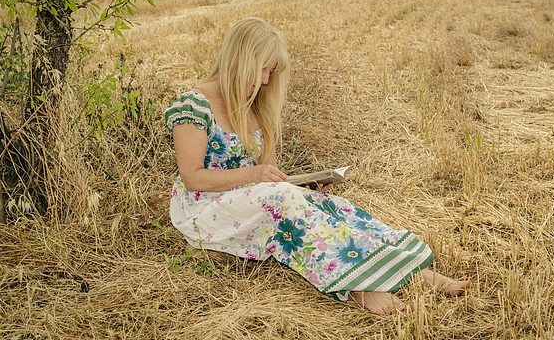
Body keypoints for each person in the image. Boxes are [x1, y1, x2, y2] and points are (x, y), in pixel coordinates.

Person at [164, 17, 470, 315]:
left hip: (251, 199)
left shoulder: (257, 107)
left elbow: (267, 177)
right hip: (204, 207)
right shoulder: (194, 104)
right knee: (283, 201)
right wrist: (258, 176)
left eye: (271, 72)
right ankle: (358, 285)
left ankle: (411, 270)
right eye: (264, 70)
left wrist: (303, 186)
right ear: (242, 60)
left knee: (332, 206)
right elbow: (193, 178)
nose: (267, 81)